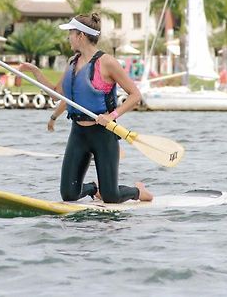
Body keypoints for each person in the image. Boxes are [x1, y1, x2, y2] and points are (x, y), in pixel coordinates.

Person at [20, 13, 152, 203]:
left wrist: (111, 115)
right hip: (78, 133)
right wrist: (35, 71)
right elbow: (57, 93)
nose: (68, 38)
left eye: (70, 34)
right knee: (68, 194)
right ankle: (93, 188)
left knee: (111, 196)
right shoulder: (72, 62)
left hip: (103, 134)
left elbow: (135, 95)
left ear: (80, 36)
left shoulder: (106, 62)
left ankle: (138, 191)